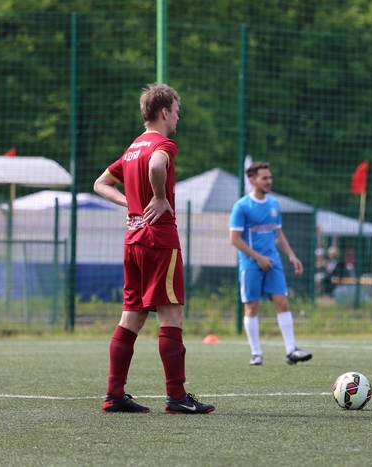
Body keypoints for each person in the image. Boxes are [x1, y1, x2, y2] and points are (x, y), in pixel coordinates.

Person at [93, 83, 215, 415]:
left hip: (133, 241)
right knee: (171, 315)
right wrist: (159, 198)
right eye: (176, 110)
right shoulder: (163, 144)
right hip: (159, 240)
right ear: (164, 112)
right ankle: (176, 396)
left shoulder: (132, 148)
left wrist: (131, 203)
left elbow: (100, 183)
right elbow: (156, 167)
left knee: (131, 316)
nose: (178, 116)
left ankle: (114, 394)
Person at [229, 161, 313, 366]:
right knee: (252, 306)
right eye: (264, 178)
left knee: (282, 302)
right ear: (252, 180)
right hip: (251, 264)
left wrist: (292, 255)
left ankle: (291, 350)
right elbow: (234, 239)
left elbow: (278, 234)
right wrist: (258, 258)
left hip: (273, 262)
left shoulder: (274, 204)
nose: (269, 181)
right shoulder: (242, 206)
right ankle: (256, 353)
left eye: (270, 177)